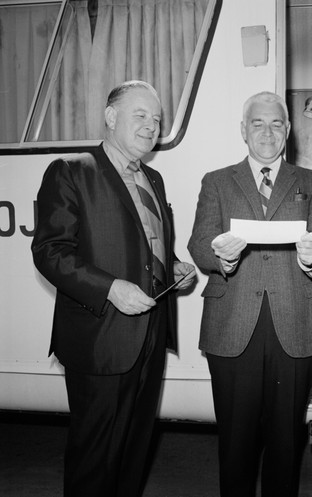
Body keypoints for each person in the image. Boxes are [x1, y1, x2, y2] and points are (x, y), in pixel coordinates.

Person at [31, 80, 196, 497]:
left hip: (150, 338)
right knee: (95, 460)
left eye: (156, 119)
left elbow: (147, 249)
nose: (151, 126)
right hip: (100, 341)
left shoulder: (153, 179)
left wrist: (172, 268)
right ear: (110, 117)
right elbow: (50, 252)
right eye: (140, 115)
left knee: (132, 456)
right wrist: (109, 289)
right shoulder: (71, 171)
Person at [188, 91, 312, 497]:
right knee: (235, 443)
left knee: (286, 442)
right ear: (243, 130)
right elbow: (199, 242)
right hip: (232, 325)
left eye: (276, 124)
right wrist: (219, 255)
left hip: (294, 324)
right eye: (258, 123)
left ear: (288, 131)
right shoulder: (216, 181)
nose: (267, 132)